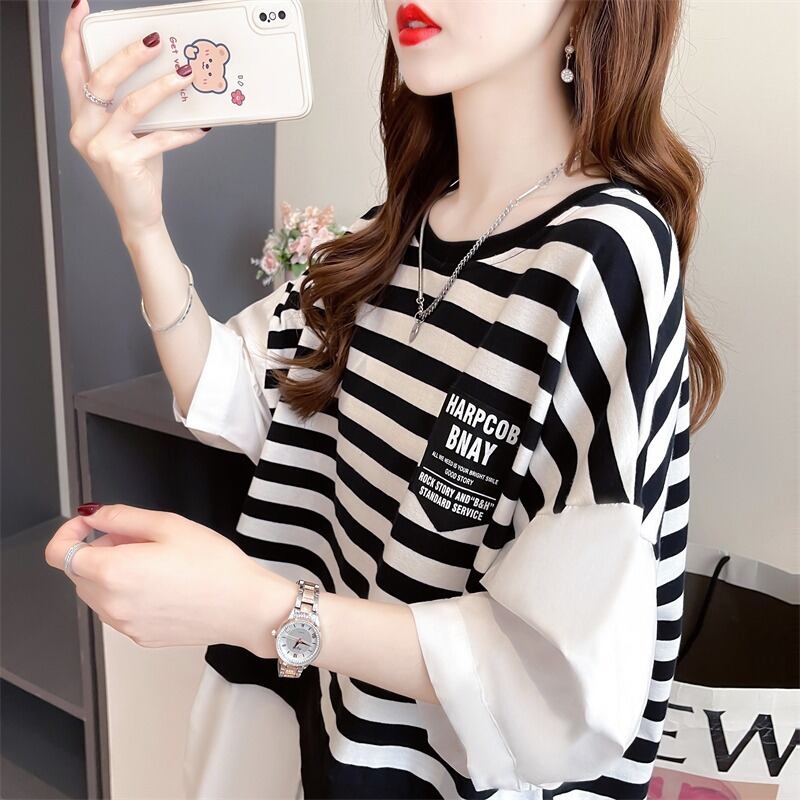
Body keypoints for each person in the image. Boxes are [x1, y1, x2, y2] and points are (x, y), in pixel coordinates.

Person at [47, 0, 724, 798]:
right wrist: (140, 220)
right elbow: (237, 392)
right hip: (335, 755)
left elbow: (559, 676)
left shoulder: (604, 255)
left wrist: (252, 609)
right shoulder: (392, 235)